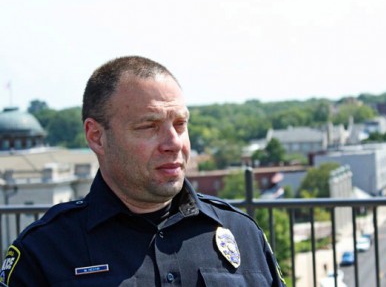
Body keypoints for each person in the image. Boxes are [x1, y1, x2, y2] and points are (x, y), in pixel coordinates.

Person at [0, 56, 286, 286]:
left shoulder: (241, 233)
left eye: (180, 124)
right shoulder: (45, 252)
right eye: (149, 126)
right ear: (97, 136)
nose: (173, 143)